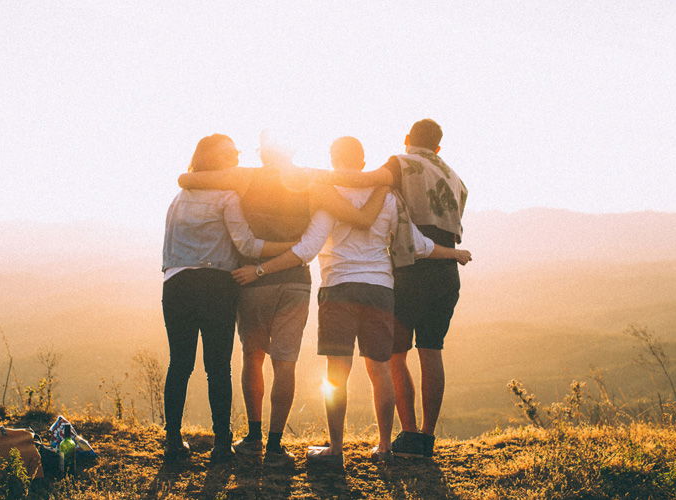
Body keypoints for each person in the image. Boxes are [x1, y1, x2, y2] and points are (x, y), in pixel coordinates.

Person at [231, 136, 471, 464]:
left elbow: (307, 249)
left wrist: (261, 269)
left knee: (336, 373)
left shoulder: (329, 196)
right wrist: (454, 253)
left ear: (333, 159)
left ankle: (335, 450)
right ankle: (384, 447)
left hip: (338, 289)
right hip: (380, 290)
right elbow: (418, 245)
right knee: (381, 370)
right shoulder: (388, 196)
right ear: (362, 162)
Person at [177, 134, 388, 466]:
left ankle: (253, 437)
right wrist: (384, 182)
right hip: (295, 281)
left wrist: (187, 177)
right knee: (285, 362)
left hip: (251, 280)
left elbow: (189, 179)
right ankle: (275, 447)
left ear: (263, 153)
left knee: (253, 356)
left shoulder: (245, 176)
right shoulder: (313, 180)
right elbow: (357, 200)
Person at [319, 119, 469, 458]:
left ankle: (408, 433)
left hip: (411, 266)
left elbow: (363, 180)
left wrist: (314, 178)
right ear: (439, 147)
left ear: (407, 139)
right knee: (432, 350)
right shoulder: (456, 178)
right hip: (445, 269)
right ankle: (426, 438)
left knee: (394, 355)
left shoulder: (400, 163)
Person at [161, 134, 296, 463]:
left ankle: (173, 442)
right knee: (218, 368)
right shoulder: (227, 196)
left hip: (176, 283)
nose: (236, 156)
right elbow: (247, 246)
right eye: (230, 153)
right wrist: (291, 246)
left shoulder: (179, 197)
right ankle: (222, 444)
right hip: (216, 285)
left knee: (179, 364)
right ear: (215, 160)